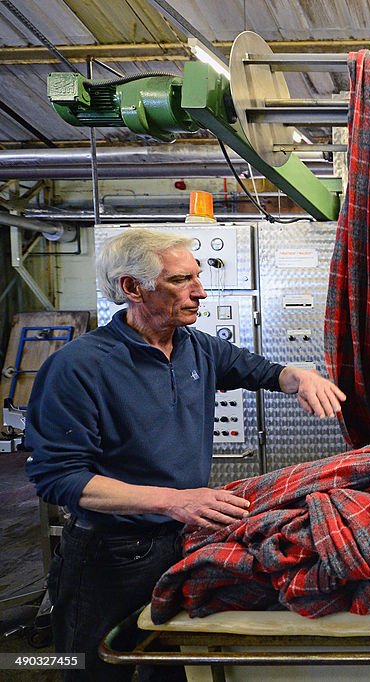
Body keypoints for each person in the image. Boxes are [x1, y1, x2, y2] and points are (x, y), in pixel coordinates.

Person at [24, 229, 347, 681]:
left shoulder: (197, 346)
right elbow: (59, 478)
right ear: (131, 288)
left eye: (197, 277)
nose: (200, 290)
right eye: (180, 280)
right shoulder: (79, 366)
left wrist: (303, 375)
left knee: (172, 664)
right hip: (110, 555)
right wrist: (176, 501)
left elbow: (268, 372)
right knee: (88, 665)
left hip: (181, 543)